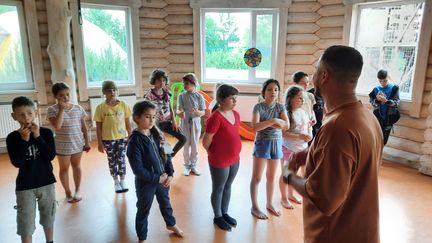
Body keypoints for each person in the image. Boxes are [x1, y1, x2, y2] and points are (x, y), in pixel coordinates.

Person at [283, 45, 383, 243]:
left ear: (324, 75)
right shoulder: (367, 117)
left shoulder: (337, 127)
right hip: (363, 232)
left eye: (316, 69)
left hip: (335, 235)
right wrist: (312, 153)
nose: (313, 75)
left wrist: (289, 176)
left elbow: (325, 200)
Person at [126, 100, 184, 242]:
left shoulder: (156, 134)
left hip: (162, 178)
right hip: (146, 183)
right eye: (147, 116)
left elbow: (167, 155)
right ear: (137, 118)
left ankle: (171, 224)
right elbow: (138, 170)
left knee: (165, 203)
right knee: (143, 209)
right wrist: (157, 178)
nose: (152, 119)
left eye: (154, 116)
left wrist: (170, 174)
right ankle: (142, 237)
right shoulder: (135, 142)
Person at [6, 96, 57, 243]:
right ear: (13, 116)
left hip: (46, 182)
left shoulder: (46, 133)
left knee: (48, 216)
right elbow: (17, 162)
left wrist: (37, 137)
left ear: (35, 112)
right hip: (25, 185)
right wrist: (24, 140)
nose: (26, 118)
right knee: (25, 221)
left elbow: (50, 156)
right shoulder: (12, 138)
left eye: (29, 113)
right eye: (21, 114)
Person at [202, 84, 241, 231]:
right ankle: (217, 216)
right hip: (220, 160)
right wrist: (215, 154)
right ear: (221, 100)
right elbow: (206, 142)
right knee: (218, 188)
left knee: (228, 186)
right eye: (232, 99)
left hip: (235, 159)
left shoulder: (236, 114)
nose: (235, 102)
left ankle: (224, 213)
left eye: (235, 98)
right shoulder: (215, 118)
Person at [250, 79, 289, 219]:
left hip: (276, 143)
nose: (273, 92)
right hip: (262, 143)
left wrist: (265, 124)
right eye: (269, 89)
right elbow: (255, 127)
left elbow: (286, 126)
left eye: (276, 90)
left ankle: (269, 204)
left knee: (271, 177)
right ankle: (254, 206)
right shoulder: (258, 107)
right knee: (257, 177)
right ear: (263, 92)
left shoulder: (281, 107)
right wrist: (274, 121)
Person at [47, 82, 90, 203]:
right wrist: (61, 110)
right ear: (55, 96)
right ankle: (67, 192)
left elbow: (84, 127)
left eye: (67, 94)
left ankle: (77, 190)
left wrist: (87, 142)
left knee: (77, 166)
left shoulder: (78, 108)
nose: (65, 97)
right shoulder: (51, 110)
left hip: (77, 143)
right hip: (62, 145)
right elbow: (57, 126)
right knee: (64, 169)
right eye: (61, 95)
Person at [94, 80, 132, 193]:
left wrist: (130, 136)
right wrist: (100, 143)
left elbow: (128, 123)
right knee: (112, 161)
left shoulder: (123, 105)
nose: (112, 92)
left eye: (114, 89)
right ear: (104, 92)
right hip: (108, 139)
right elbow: (98, 127)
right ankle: (115, 181)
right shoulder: (100, 108)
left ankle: (123, 180)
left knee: (121, 159)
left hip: (121, 138)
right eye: (109, 90)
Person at [279, 85, 312, 210]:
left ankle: (291, 194)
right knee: (286, 174)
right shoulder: (286, 114)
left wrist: (308, 135)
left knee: (295, 174)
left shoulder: (303, 112)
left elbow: (307, 127)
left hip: (301, 148)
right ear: (291, 98)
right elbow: (284, 134)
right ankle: (283, 198)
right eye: (299, 98)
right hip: (288, 148)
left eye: (303, 98)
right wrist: (300, 137)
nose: (302, 101)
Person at [144, 69, 186, 157]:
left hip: (167, 122)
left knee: (183, 139)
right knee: (161, 142)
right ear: (153, 81)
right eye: (159, 80)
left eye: (163, 80)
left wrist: (174, 121)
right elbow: (146, 110)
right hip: (156, 124)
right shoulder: (149, 95)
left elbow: (170, 107)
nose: (162, 82)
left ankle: (170, 157)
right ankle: (161, 161)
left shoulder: (167, 93)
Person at [177, 73, 206, 176]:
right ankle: (186, 165)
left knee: (194, 145)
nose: (184, 85)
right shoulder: (181, 96)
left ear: (193, 83)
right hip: (185, 122)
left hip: (195, 123)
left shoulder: (199, 96)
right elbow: (178, 110)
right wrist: (179, 113)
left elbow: (203, 112)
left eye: (187, 83)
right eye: (184, 83)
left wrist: (198, 113)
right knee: (185, 145)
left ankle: (193, 165)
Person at [369, 69, 400, 145]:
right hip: (378, 117)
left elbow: (397, 103)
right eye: (380, 81)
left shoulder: (394, 88)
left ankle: (380, 154)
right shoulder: (376, 89)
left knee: (384, 140)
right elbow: (371, 102)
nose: (382, 83)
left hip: (389, 118)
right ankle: (376, 155)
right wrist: (377, 101)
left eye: (385, 81)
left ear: (388, 77)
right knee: (376, 137)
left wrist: (386, 101)